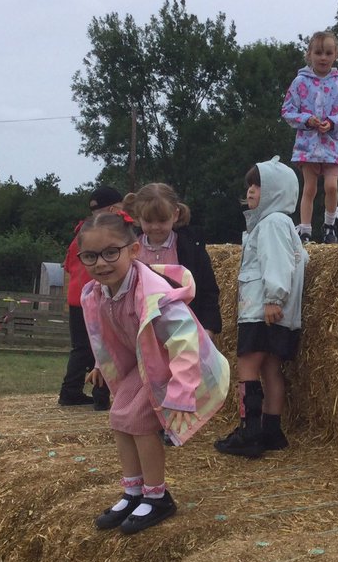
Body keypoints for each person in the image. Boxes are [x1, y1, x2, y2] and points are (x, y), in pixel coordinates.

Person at [79, 211, 230, 534]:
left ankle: (157, 496)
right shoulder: (98, 293)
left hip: (180, 366)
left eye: (110, 252)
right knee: (119, 417)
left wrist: (182, 389)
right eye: (90, 256)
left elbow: (185, 340)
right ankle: (133, 491)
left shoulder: (153, 293)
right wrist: (100, 364)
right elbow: (102, 334)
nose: (101, 263)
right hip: (146, 363)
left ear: (133, 250)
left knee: (137, 421)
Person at [214, 157, 308, 458]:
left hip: (261, 311)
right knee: (270, 368)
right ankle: (271, 430)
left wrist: (273, 299)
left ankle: (250, 432)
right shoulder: (280, 223)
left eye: (258, 185)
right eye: (250, 185)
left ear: (277, 191)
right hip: (273, 311)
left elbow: (277, 262)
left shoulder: (271, 224)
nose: (251, 191)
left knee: (248, 366)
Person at [281, 30, 338, 244]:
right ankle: (305, 230)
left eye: (328, 53)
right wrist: (307, 120)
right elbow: (287, 110)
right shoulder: (299, 82)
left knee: (332, 186)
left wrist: (333, 122)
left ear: (336, 55)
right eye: (318, 53)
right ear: (309, 54)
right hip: (308, 145)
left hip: (333, 145)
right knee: (309, 188)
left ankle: (329, 225)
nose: (323, 57)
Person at [124, 182, 222, 336]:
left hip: (185, 330)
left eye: (162, 220)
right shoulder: (128, 250)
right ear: (137, 218)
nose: (155, 227)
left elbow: (207, 291)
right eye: (148, 221)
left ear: (175, 215)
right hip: (141, 331)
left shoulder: (192, 248)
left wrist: (207, 329)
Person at [58, 185, 124, 408]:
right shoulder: (107, 234)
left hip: (76, 297)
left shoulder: (81, 233)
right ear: (114, 209)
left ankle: (70, 391)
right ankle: (100, 396)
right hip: (96, 297)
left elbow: (68, 266)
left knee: (81, 347)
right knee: (104, 344)